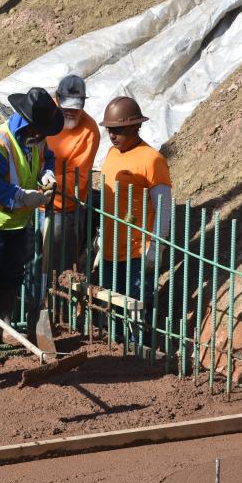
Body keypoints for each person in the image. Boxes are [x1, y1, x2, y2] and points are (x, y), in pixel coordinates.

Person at [0, 88, 63, 357]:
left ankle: (4, 324)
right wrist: (22, 197)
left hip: (18, 223)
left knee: (12, 275)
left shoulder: (37, 139)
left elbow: (48, 158)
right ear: (30, 125)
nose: (45, 137)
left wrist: (47, 174)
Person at [98, 96, 172, 346]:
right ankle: (117, 351)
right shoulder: (111, 154)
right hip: (109, 250)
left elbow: (163, 207)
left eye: (118, 130)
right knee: (112, 305)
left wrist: (157, 248)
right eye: (110, 129)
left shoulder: (152, 160)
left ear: (134, 127)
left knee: (137, 306)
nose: (112, 135)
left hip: (137, 252)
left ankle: (140, 352)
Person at [48, 74, 100, 274]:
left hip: (64, 208)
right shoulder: (46, 111)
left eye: (76, 107)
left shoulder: (89, 131)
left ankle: (55, 301)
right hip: (29, 202)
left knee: (58, 269)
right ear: (57, 98)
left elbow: (75, 178)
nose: (71, 112)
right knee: (29, 265)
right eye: (66, 106)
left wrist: (41, 183)